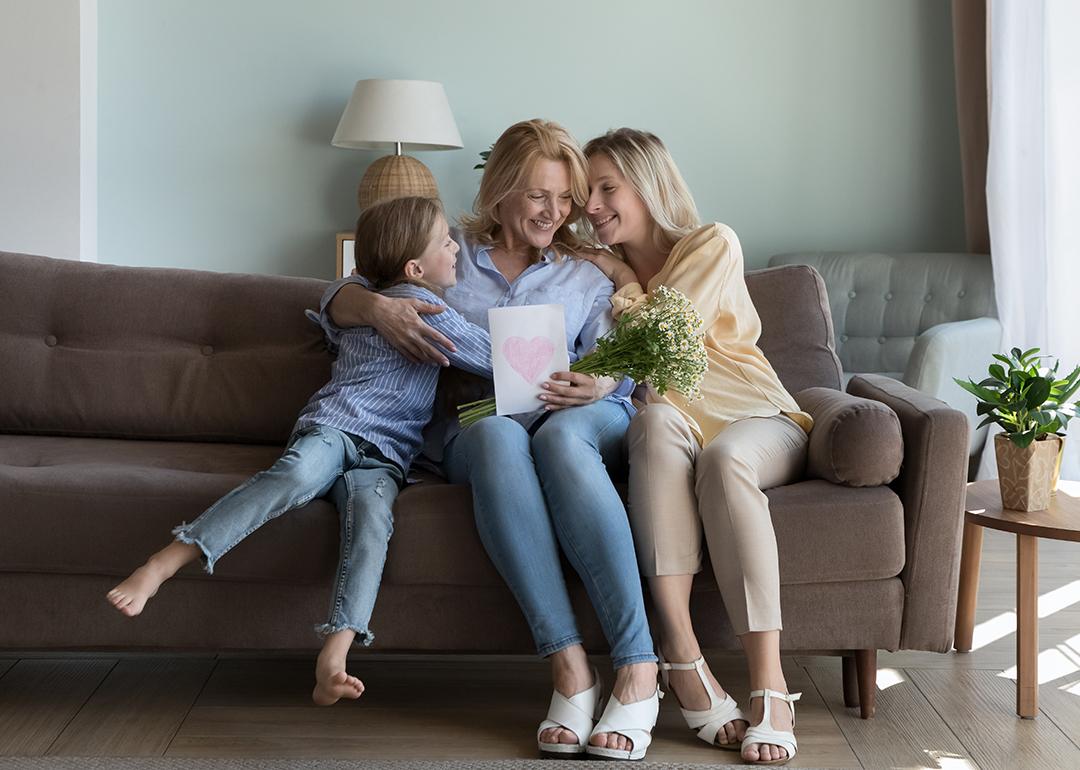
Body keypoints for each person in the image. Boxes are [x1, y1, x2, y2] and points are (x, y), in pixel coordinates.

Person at [325, 119, 662, 761]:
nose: (555, 212)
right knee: (494, 436)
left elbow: (623, 361)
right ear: (502, 189)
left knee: (559, 441)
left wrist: (602, 380)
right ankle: (569, 668)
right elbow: (339, 294)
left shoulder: (587, 274)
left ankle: (639, 666)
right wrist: (375, 308)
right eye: (540, 196)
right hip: (478, 424)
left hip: (581, 417)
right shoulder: (443, 250)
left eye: (565, 199)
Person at [106, 196, 493, 707]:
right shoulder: (423, 309)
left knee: (373, 527)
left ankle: (335, 653)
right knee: (294, 476)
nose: (455, 247)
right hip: (337, 427)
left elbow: (336, 303)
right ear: (415, 268)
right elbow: (493, 358)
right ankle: (163, 562)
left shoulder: (372, 302)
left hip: (386, 457)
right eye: (446, 241)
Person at [580, 128, 813, 766]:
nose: (592, 204)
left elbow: (664, 333)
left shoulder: (712, 242)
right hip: (675, 424)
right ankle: (682, 659)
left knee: (724, 457)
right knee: (650, 423)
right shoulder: (591, 273)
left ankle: (771, 689)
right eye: (586, 193)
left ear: (648, 185)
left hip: (759, 419)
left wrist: (625, 278)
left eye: (608, 187)